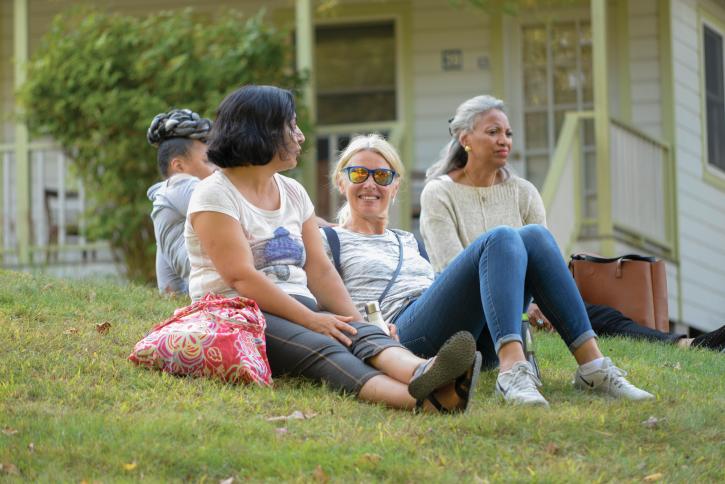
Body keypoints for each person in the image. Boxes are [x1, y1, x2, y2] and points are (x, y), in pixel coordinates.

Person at [183, 85, 481, 413]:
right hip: (237, 312)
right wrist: (312, 320)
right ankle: (423, 401)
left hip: (296, 305)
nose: (300, 137)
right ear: (264, 131)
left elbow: (320, 270)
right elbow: (241, 278)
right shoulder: (214, 194)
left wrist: (356, 320)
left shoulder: (293, 192)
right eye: (291, 127)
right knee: (324, 345)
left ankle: (424, 372)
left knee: (358, 332)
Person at [323, 133, 653, 407]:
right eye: (358, 174)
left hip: (463, 339)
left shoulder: (407, 241)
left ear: (395, 186)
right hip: (401, 339)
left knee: (534, 235)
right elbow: (318, 304)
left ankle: (593, 367)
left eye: (382, 176)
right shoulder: (328, 239)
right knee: (501, 237)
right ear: (341, 182)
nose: (370, 184)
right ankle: (513, 370)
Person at [420, 94, 725, 353]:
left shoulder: (523, 192)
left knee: (602, 317)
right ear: (465, 139)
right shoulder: (439, 193)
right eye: (493, 132)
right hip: (472, 308)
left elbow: (544, 257)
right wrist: (523, 306)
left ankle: (690, 345)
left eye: (508, 133)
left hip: (530, 302)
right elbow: (450, 267)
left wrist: (537, 301)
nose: (504, 141)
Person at [147, 108, 216, 295]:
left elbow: (168, 282)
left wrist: (173, 294)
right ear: (179, 166)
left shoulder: (164, 199)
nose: (216, 169)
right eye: (208, 161)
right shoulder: (181, 184)